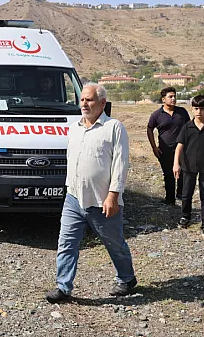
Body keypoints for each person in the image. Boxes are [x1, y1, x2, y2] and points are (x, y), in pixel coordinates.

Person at [46, 82, 136, 304]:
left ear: (102, 103)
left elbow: (120, 164)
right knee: (66, 243)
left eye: (89, 100)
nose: (84, 104)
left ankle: (127, 278)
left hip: (103, 201)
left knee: (114, 243)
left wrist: (113, 195)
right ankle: (63, 287)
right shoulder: (74, 127)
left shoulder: (114, 128)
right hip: (74, 198)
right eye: (82, 99)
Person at [173, 94, 204, 240]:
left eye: (202, 108)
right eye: (196, 108)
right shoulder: (187, 128)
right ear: (192, 109)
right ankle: (185, 217)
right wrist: (176, 164)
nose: (199, 111)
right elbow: (179, 147)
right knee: (186, 193)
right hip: (188, 167)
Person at [147, 87, 190, 204]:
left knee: (183, 172)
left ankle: (181, 195)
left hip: (182, 149)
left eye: (174, 96)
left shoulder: (182, 112)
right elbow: (149, 129)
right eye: (170, 97)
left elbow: (189, 128)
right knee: (168, 174)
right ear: (163, 99)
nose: (173, 99)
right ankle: (170, 199)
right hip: (164, 150)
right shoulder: (156, 115)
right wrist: (154, 147)